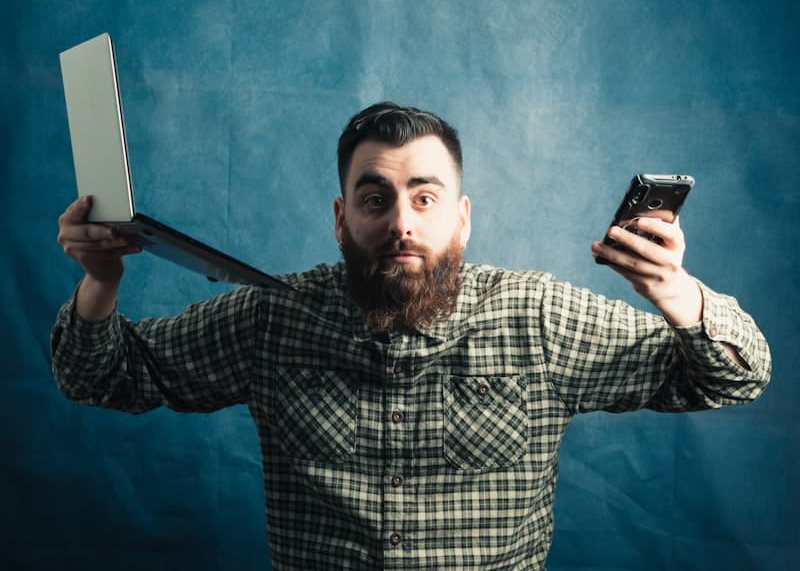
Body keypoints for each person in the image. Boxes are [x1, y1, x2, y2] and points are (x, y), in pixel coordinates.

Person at [52, 102, 771, 570]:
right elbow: (101, 375)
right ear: (341, 219)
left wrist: (673, 291)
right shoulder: (270, 320)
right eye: (376, 198)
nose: (401, 222)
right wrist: (101, 279)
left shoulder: (539, 321)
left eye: (425, 197)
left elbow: (738, 373)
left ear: (461, 218)